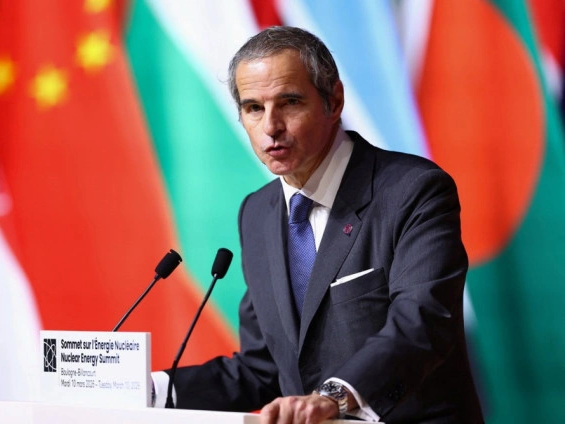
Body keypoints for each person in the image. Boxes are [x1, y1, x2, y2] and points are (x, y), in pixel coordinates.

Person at [153, 26, 483, 423]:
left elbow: (422, 323)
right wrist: (150, 390)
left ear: (334, 100)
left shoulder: (411, 191)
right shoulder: (257, 214)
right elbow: (263, 369)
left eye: (289, 102)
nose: (271, 126)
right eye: (254, 108)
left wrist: (334, 397)